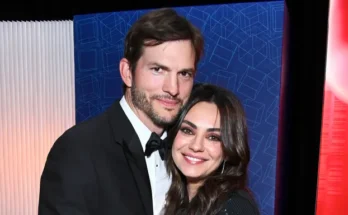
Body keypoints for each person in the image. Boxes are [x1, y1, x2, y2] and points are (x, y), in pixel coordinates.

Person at [38, 8, 204, 215]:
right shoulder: (78, 150)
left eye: (184, 74)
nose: (173, 88)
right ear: (127, 73)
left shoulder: (191, 151)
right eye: (158, 70)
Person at [162, 83, 260, 215]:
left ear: (228, 150)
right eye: (187, 130)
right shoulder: (172, 198)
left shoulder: (234, 207)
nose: (196, 146)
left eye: (213, 137)